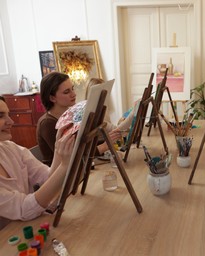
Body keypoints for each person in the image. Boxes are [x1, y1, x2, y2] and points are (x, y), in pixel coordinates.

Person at [0, 95, 75, 229]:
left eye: (8, 114)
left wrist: (58, 148)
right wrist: (65, 165)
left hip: (25, 227)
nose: (10, 121)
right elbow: (24, 208)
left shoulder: (12, 149)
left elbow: (47, 178)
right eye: (1, 116)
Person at [37, 72, 121, 166]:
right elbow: (73, 154)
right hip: (61, 177)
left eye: (72, 89)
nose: (73, 94)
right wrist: (104, 146)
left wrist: (108, 139)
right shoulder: (47, 123)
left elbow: (82, 144)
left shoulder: (71, 115)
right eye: (66, 92)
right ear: (52, 98)